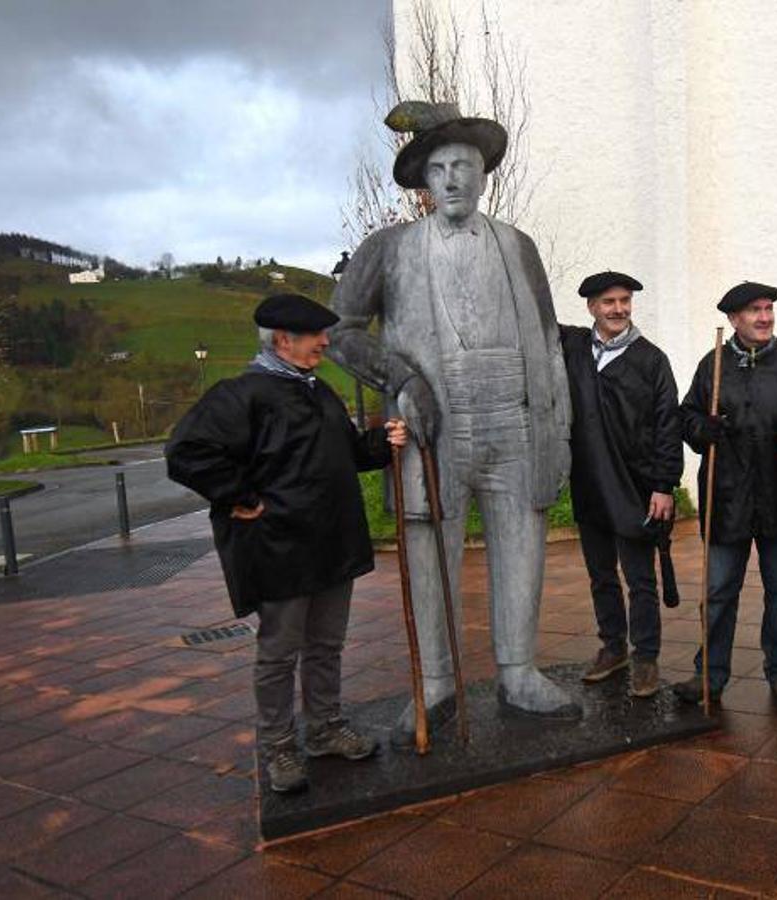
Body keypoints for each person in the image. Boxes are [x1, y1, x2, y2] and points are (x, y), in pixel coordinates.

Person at [328, 101, 579, 740]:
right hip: (433, 430)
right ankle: (436, 681)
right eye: (438, 169)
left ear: (483, 174)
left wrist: (558, 431)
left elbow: (550, 343)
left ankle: (519, 672)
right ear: (424, 181)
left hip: (513, 422)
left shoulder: (517, 246)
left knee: (521, 548)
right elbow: (339, 331)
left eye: (463, 166)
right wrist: (400, 378)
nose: (452, 180)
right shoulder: (390, 249)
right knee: (428, 553)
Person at [166, 293, 408, 794]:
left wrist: (381, 443)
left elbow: (346, 454)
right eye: (315, 336)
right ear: (282, 341)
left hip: (331, 544)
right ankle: (278, 745)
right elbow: (186, 452)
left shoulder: (316, 390)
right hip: (280, 549)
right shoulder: (243, 395)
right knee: (279, 653)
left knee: (326, 646)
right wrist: (237, 495)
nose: (324, 342)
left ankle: (324, 729)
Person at [677, 282, 777, 708]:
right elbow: (687, 415)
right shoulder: (713, 365)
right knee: (719, 591)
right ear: (734, 319)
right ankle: (710, 672)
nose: (765, 317)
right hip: (727, 497)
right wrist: (702, 428)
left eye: (768, 308)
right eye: (755, 310)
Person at [560, 271, 683, 698]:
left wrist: (664, 485)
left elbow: (668, 424)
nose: (618, 309)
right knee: (601, 576)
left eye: (624, 301)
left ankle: (645, 656)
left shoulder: (651, 360)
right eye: (609, 302)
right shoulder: (574, 348)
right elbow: (532, 317)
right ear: (591, 307)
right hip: (589, 483)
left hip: (636, 486)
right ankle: (613, 648)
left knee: (640, 579)